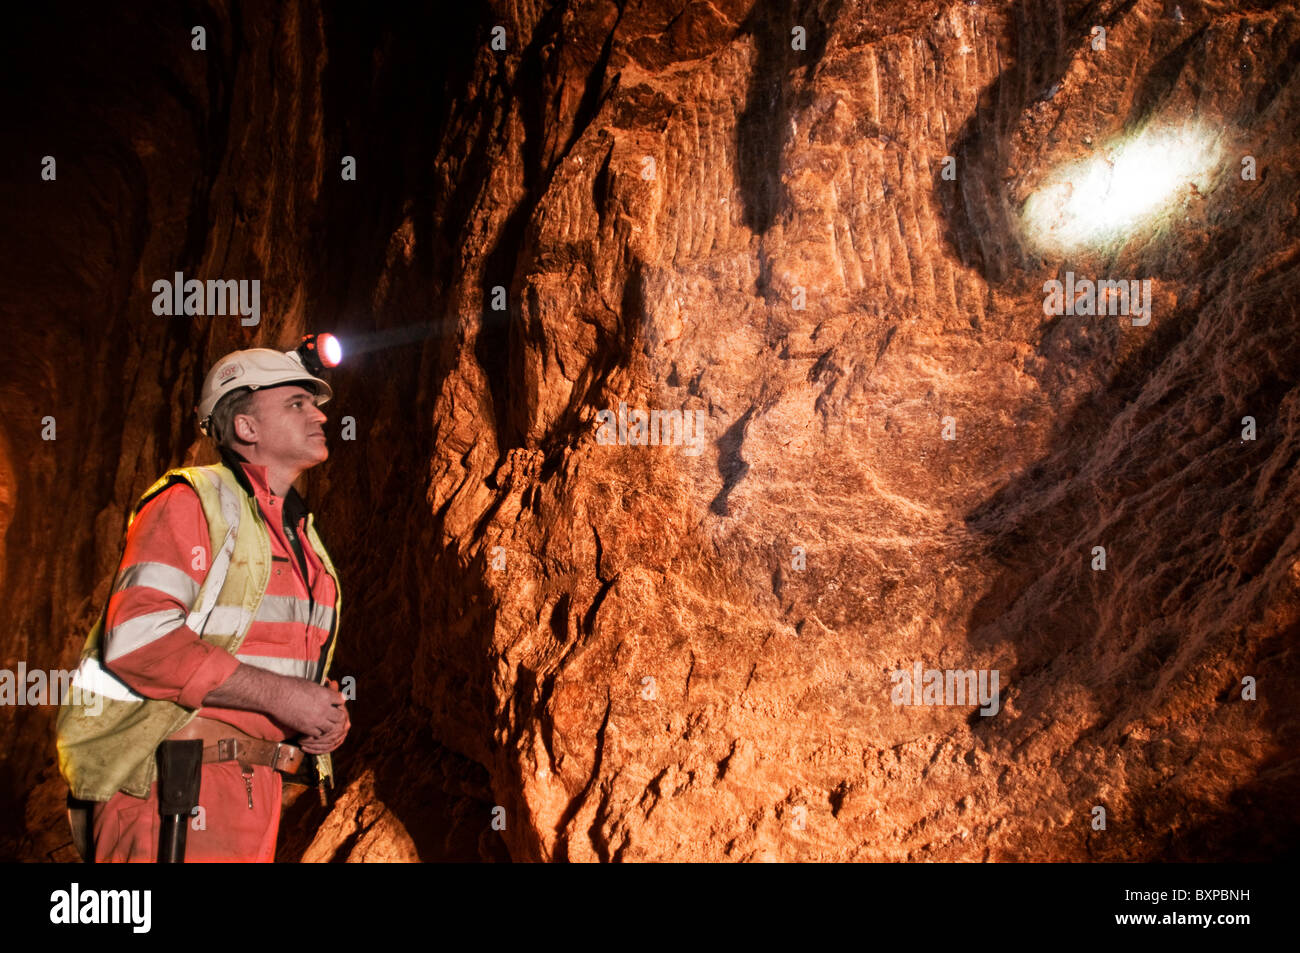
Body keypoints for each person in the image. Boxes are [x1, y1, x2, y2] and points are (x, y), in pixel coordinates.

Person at [57, 347, 348, 862]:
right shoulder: (192, 500)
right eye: (298, 404)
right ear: (246, 427)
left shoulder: (301, 534)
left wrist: (322, 710)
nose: (321, 414)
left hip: (255, 785)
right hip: (172, 783)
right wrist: (284, 697)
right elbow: (138, 637)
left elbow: (272, 649)